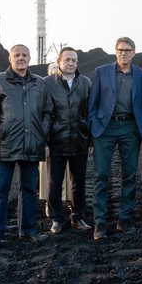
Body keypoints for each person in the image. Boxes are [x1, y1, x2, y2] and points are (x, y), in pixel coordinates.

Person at [0, 44, 52, 253]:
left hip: (31, 146)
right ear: (10, 58)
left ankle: (28, 231)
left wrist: (41, 136)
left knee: (29, 191)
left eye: (24, 55)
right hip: (6, 146)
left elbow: (48, 113)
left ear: (30, 58)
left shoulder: (39, 83)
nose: (21, 58)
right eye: (17, 55)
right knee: (0, 191)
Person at [88, 37, 142, 240]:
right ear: (115, 51)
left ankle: (124, 219)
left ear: (134, 53)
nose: (124, 53)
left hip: (130, 128)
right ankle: (99, 223)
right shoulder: (101, 72)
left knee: (129, 175)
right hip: (105, 128)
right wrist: (94, 126)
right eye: (120, 50)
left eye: (128, 50)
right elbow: (93, 102)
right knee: (101, 175)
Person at [44, 46, 93, 234]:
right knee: (54, 182)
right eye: (67, 60)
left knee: (78, 182)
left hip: (79, 139)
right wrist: (45, 141)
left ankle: (77, 217)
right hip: (56, 140)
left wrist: (90, 140)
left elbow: (90, 113)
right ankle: (56, 218)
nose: (71, 63)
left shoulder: (85, 83)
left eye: (74, 60)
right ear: (59, 62)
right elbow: (44, 113)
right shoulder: (48, 83)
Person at [38, 61, 71, 214]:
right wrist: (43, 141)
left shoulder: (69, 88)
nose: (55, 72)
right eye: (53, 69)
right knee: (48, 175)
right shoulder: (43, 89)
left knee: (69, 172)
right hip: (49, 137)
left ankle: (69, 199)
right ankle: (49, 202)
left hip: (66, 137)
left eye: (57, 69)